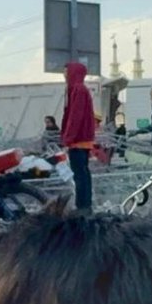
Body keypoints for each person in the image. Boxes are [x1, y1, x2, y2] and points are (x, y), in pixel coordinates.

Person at [60, 62, 96, 214]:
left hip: (78, 141)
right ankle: (85, 205)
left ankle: (83, 206)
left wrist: (68, 138)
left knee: (79, 175)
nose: (64, 75)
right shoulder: (79, 89)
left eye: (66, 72)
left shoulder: (78, 90)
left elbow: (75, 116)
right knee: (83, 174)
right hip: (82, 140)